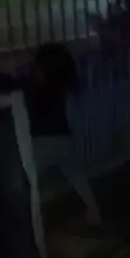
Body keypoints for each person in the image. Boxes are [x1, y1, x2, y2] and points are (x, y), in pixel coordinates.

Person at [22, 43, 101, 225]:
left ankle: (30, 222)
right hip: (63, 140)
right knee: (76, 175)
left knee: (23, 178)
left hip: (41, 143)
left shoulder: (33, 86)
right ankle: (93, 210)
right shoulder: (59, 85)